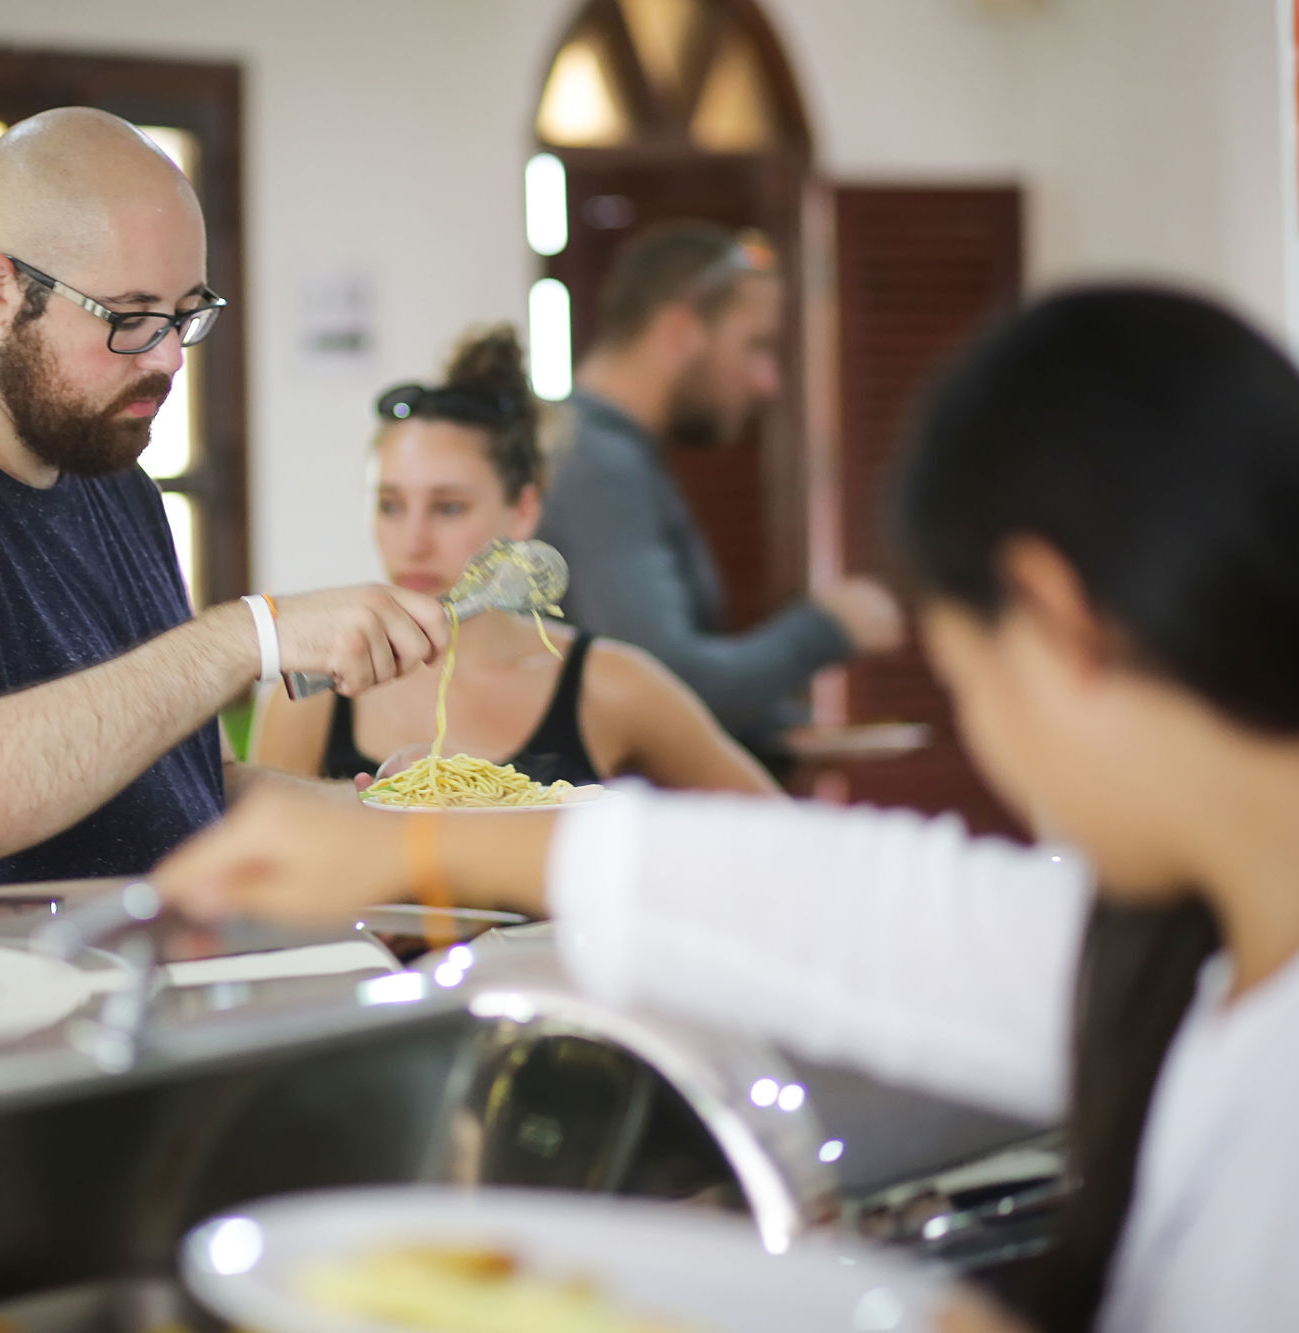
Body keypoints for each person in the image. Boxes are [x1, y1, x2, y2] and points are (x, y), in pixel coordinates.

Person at [154, 287, 1299, 1333]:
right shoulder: (1194, 961)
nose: (996, 749)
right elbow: (878, 914)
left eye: (966, 679)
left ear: (1057, 622)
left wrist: (415, 839)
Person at [0, 108, 452, 904]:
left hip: (127, 1010)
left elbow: (193, 792)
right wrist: (242, 637)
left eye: (186, 314)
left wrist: (391, 818)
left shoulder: (111, 480)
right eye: (131, 317)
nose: (169, 357)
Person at [254, 325, 774, 797]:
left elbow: (774, 830)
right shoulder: (320, 693)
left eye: (449, 507)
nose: (412, 541)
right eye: (391, 505)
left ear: (523, 511)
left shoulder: (610, 684)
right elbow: (253, 874)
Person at [537, 222, 903, 763]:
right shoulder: (598, 464)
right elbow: (666, 685)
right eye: (755, 346)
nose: (768, 382)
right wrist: (827, 627)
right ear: (680, 330)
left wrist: (775, 732)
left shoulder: (606, 451)